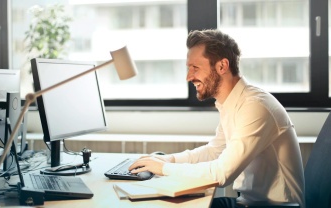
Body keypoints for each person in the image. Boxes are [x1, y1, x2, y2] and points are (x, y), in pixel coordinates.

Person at [129, 29, 305, 208]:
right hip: (248, 203)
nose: (189, 77)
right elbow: (215, 151)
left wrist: (163, 169)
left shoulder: (255, 106)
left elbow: (222, 174)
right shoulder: (232, 103)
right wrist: (169, 160)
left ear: (222, 66)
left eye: (195, 68)